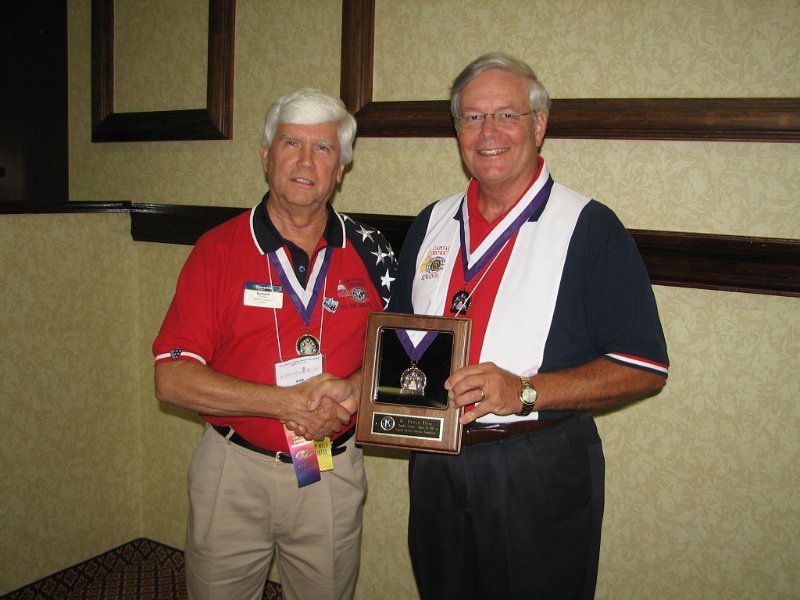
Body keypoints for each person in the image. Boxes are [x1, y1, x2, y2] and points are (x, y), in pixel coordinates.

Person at [389, 53, 669, 600]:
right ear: (456, 131)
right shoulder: (432, 222)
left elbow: (643, 367)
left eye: (506, 115)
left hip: (537, 465)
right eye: (471, 117)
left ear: (539, 125)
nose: (488, 132)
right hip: (436, 464)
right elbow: (400, 344)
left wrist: (523, 390)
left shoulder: (588, 226)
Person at [152, 88, 397, 600]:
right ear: (267, 157)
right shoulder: (217, 249)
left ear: (342, 168)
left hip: (328, 466)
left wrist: (352, 388)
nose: (306, 161)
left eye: (324, 148)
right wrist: (283, 404)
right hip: (233, 471)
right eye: (291, 144)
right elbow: (172, 379)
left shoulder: (374, 253)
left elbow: (401, 358)